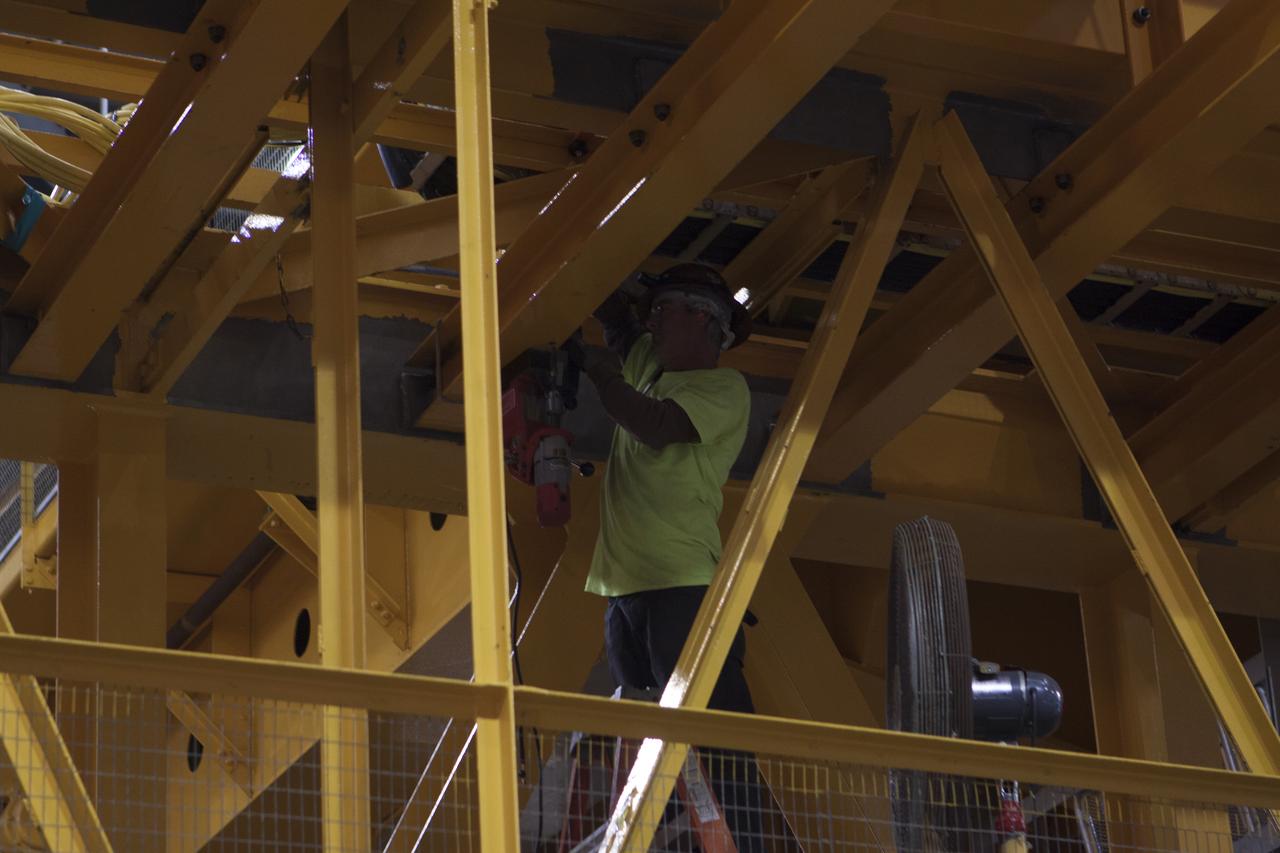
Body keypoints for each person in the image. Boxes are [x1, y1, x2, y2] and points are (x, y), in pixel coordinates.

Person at [577, 263, 766, 850]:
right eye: (653, 310)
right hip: (624, 586)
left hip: (680, 585)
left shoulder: (721, 389)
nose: (652, 320)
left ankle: (743, 842)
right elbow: (613, 317)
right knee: (642, 733)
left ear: (706, 321)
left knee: (711, 733)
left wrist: (599, 373)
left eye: (666, 310)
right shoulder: (649, 367)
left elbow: (656, 425)